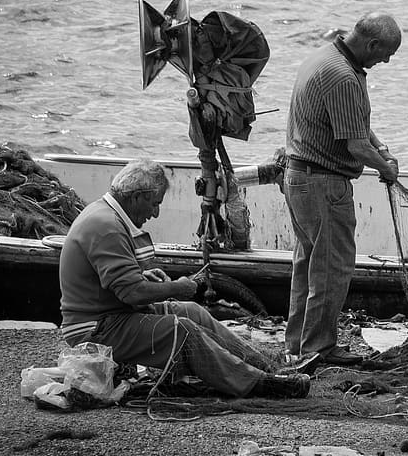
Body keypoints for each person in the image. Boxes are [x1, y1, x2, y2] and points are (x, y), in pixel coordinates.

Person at [59, 159, 312, 399]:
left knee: (193, 312)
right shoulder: (106, 226)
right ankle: (255, 383)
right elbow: (132, 294)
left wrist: (142, 276)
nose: (155, 213)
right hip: (94, 329)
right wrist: (177, 288)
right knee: (181, 330)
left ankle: (266, 367)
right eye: (154, 203)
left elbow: (114, 282)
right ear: (136, 197)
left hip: (113, 314)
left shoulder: (107, 217)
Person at [283, 12, 401, 365]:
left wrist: (382, 150)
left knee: (308, 265)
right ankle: (318, 347)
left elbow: (357, 126)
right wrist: (386, 169)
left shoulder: (324, 58)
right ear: (372, 44)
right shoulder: (342, 77)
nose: (387, 60)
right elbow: (354, 145)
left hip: (299, 178)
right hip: (323, 183)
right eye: (386, 53)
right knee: (332, 268)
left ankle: (298, 345)